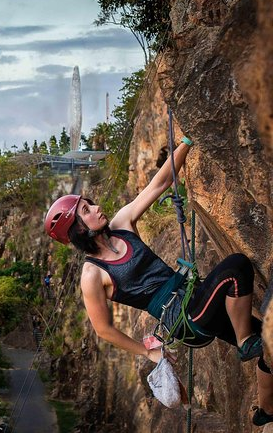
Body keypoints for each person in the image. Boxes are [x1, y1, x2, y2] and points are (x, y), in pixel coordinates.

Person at [44, 136, 273, 425]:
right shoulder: (92, 274)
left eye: (90, 204)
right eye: (85, 211)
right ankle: (244, 341)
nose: (96, 208)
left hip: (198, 297)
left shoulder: (122, 224)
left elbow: (160, 183)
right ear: (76, 230)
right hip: (184, 318)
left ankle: (266, 411)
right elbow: (103, 329)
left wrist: (188, 141)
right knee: (235, 267)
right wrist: (149, 353)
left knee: (269, 343)